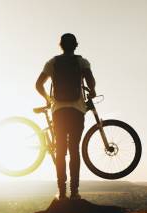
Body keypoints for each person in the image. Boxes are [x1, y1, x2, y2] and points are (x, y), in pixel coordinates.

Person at [35, 33, 96, 200]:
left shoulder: (52, 62)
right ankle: (74, 192)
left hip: (58, 112)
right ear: (76, 45)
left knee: (60, 150)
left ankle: (61, 192)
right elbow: (91, 82)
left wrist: (48, 100)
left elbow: (38, 84)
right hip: (77, 111)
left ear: (60, 46)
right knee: (74, 150)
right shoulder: (82, 62)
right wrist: (93, 91)